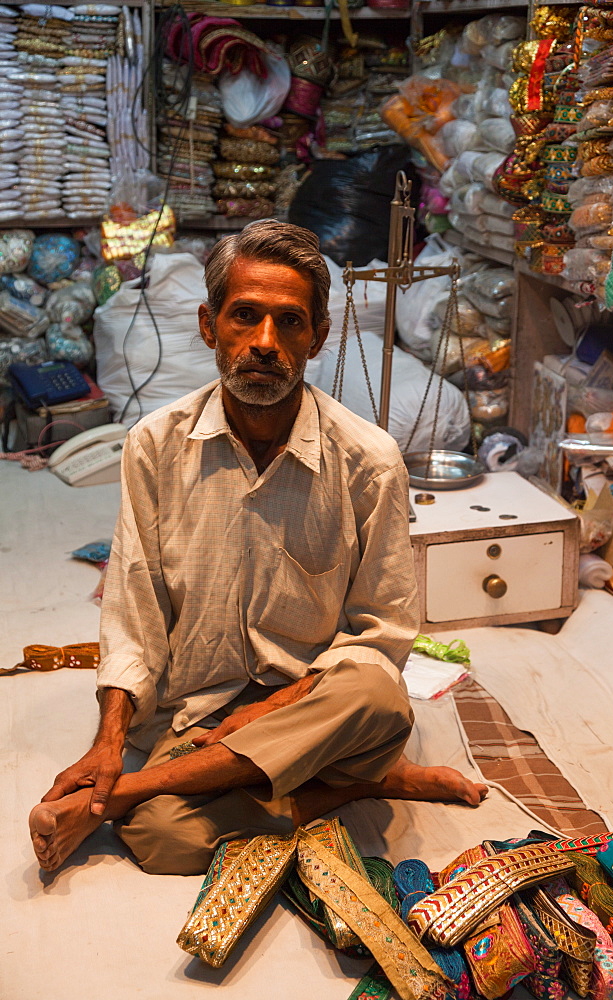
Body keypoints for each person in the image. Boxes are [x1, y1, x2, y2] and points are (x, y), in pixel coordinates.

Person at [29, 221, 487, 875]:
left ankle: (128, 794)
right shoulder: (155, 446)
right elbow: (134, 611)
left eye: (290, 322)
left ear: (318, 337)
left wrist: (276, 706)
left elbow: (383, 634)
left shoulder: (370, 461)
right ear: (210, 326)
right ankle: (366, 784)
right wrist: (110, 741)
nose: (266, 344)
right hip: (203, 708)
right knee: (164, 841)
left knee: (379, 695)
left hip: (317, 701)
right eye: (245, 316)